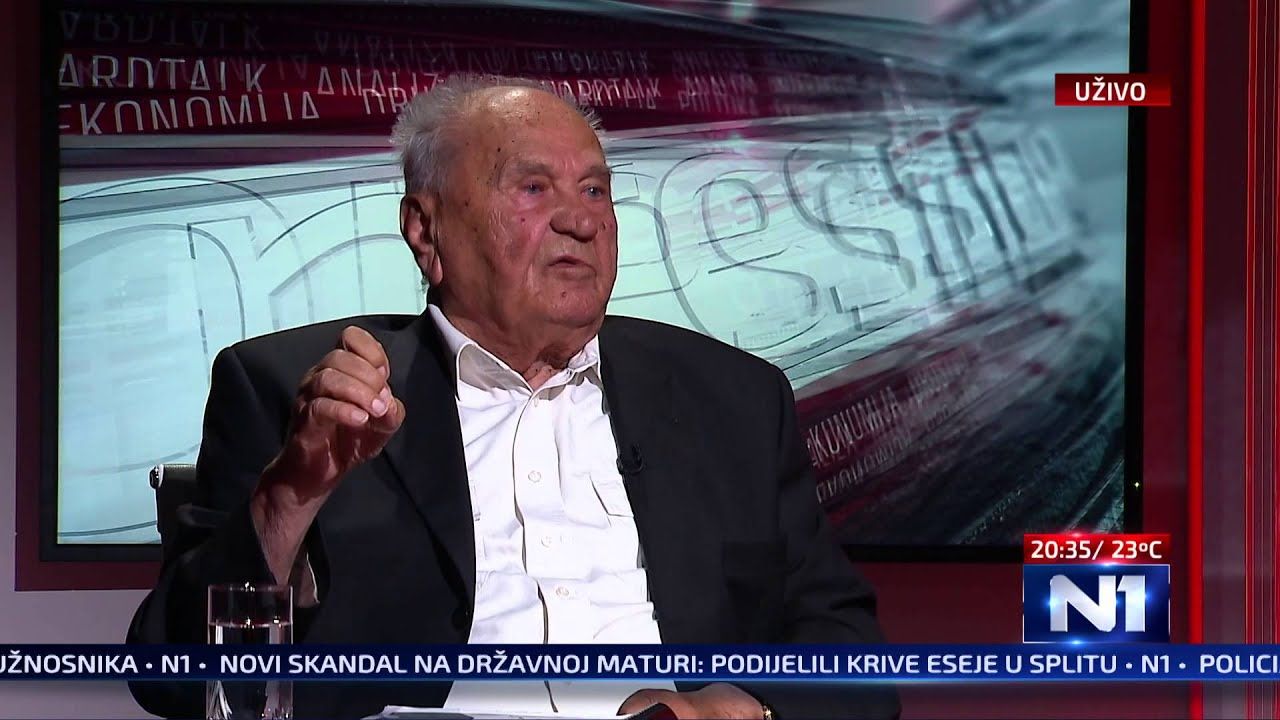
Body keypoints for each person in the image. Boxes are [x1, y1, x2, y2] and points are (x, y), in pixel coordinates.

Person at [128, 75, 899, 720]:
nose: (581, 220)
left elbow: (848, 650)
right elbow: (175, 678)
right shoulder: (300, 391)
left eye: (595, 190)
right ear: (425, 231)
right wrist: (290, 494)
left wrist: (740, 707)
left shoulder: (733, 398)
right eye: (533, 188)